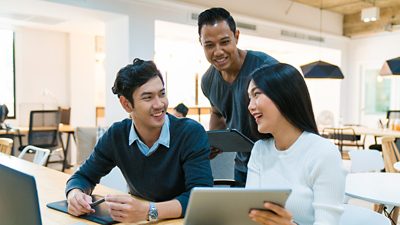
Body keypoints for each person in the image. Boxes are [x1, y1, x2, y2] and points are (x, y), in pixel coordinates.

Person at [66, 58, 213, 223]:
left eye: (162, 94)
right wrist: (75, 194)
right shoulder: (116, 135)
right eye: (148, 97)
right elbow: (84, 176)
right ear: (127, 104)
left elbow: (200, 198)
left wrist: (149, 211)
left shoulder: (190, 133)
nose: (159, 104)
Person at [246, 63, 345, 225]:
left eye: (256, 94)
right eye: (249, 98)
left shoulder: (323, 153)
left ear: (284, 95)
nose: (250, 106)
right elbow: (250, 215)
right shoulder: (260, 150)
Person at [198, 7, 278, 186]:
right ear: (201, 43)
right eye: (209, 45)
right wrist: (213, 141)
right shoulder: (208, 80)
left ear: (237, 36)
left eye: (224, 42)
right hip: (242, 166)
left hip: (274, 164)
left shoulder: (266, 68)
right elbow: (218, 113)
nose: (218, 52)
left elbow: (285, 116)